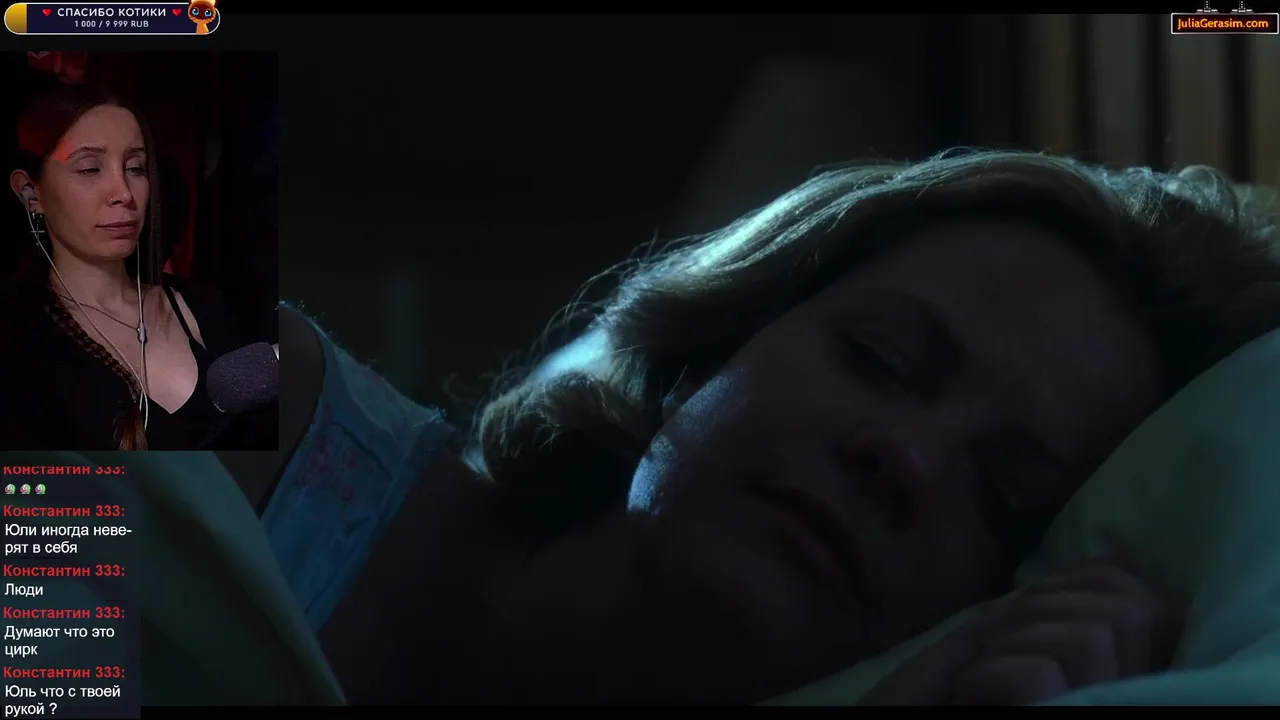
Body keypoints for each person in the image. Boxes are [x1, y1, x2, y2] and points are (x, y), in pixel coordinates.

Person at [255, 150, 1280, 705]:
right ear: (710, 347)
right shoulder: (260, 409)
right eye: (878, 359)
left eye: (1002, 499)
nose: (908, 457)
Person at [0, 83, 255, 451]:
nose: (123, 193)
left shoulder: (205, 306)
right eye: (90, 169)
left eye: (135, 168)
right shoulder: (16, 342)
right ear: (30, 193)